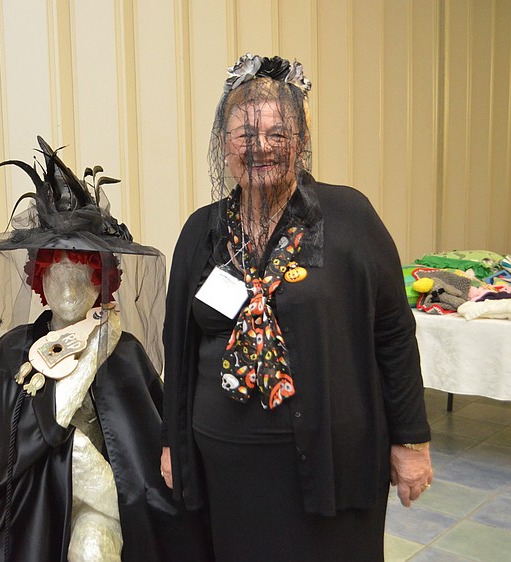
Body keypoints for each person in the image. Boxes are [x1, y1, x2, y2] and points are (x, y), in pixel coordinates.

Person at [160, 54, 433, 561]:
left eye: (277, 135)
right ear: (225, 145)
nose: (259, 147)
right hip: (228, 467)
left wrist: (411, 441)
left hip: (332, 462)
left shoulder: (350, 217)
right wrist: (173, 441)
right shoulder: (202, 232)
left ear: (301, 143)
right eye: (244, 134)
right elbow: (177, 346)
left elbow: (394, 334)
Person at [0, 137, 211, 561]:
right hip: (30, 500)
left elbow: (144, 454)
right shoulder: (14, 351)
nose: (69, 289)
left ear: (104, 281)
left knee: (93, 551)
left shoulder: (126, 352)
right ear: (39, 280)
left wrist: (107, 346)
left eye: (83, 274)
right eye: (56, 273)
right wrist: (93, 356)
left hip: (102, 505)